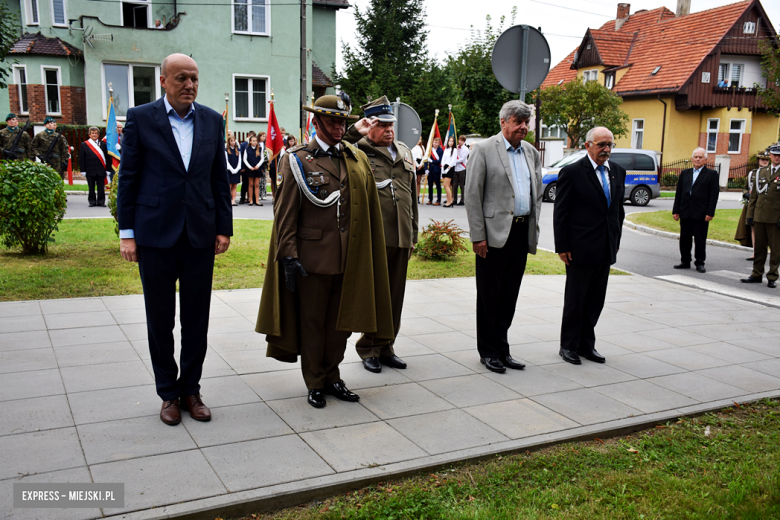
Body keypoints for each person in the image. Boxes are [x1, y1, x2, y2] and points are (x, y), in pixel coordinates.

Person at [256, 93, 393, 408]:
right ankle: (316, 382)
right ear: (315, 122)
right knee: (313, 325)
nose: (338, 127)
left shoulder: (354, 157)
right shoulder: (297, 158)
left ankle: (333, 376)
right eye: (331, 121)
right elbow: (286, 214)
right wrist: (288, 255)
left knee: (341, 325)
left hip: (349, 257)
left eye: (342, 121)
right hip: (312, 260)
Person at [117, 53, 233, 426]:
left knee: (197, 320)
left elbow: (219, 180)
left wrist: (223, 227)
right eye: (181, 78)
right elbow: (129, 178)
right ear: (163, 81)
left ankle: (191, 391)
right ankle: (168, 393)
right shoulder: (140, 119)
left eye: (195, 78)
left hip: (199, 235)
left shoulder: (213, 121)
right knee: (160, 320)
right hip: (154, 236)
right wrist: (127, 233)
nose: (190, 85)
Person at [464, 100, 543, 374]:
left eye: (526, 122)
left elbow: (537, 194)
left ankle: (503, 348)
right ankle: (488, 351)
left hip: (521, 232)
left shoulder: (531, 152)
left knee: (509, 294)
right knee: (489, 295)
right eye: (517, 121)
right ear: (503, 122)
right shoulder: (484, 149)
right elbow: (472, 195)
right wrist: (478, 235)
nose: (523, 127)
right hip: (493, 235)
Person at [345, 95, 418, 373]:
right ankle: (369, 347)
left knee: (395, 296)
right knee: (374, 295)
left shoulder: (404, 152)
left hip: (400, 236)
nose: (389, 130)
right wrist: (355, 131)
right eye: (382, 125)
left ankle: (387, 345)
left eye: (392, 125)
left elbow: (410, 197)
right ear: (369, 125)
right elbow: (334, 149)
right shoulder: (357, 151)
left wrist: (413, 235)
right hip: (373, 239)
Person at [554, 127, 626, 366]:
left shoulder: (617, 171)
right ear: (587, 146)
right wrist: (562, 246)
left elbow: (617, 210)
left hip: (605, 246)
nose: (606, 149)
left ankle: (587, 345)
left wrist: (616, 240)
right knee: (576, 300)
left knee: (596, 300)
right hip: (579, 248)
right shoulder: (572, 172)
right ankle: (568, 346)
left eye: (610, 145)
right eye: (601, 144)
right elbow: (561, 212)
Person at [672, 148, 719, 273]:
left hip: (701, 212)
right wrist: (676, 210)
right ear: (692, 159)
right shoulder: (685, 173)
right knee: (685, 238)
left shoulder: (711, 174)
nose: (698, 159)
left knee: (700, 239)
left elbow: (714, 195)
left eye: (700, 157)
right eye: (696, 157)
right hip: (685, 211)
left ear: (705, 159)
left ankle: (699, 262)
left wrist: (710, 212)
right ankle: (685, 260)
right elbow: (679, 193)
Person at [741, 144, 780, 289]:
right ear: (770, 156)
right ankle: (756, 274)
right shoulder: (760, 173)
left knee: (775, 250)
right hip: (759, 215)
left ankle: (772, 276)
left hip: (775, 217)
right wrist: (750, 215)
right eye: (774, 154)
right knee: (759, 248)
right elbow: (754, 196)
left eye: (779, 155)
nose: (777, 157)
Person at [736, 151, 769, 253]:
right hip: (753, 205)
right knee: (753, 227)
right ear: (758, 160)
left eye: (767, 160)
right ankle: (755, 252)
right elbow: (745, 188)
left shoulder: (771, 173)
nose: (765, 161)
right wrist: (746, 194)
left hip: (766, 205)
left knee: (766, 229)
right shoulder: (753, 173)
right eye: (763, 159)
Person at [78, 127, 111, 207]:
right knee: (91, 187)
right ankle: (92, 201)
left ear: (99, 135)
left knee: (101, 187)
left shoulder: (103, 144)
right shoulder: (84, 144)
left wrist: (108, 169)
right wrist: (83, 170)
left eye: (96, 133)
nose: (94, 135)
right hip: (90, 169)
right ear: (89, 134)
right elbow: (81, 158)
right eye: (92, 133)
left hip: (101, 169)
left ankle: (101, 201)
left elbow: (107, 158)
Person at [242, 134, 266, 206]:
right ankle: (251, 200)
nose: (255, 142)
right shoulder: (247, 149)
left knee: (256, 185)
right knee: (250, 184)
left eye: (256, 141)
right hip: (250, 169)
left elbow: (262, 158)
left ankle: (257, 200)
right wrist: (249, 167)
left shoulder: (260, 149)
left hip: (257, 169)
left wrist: (258, 166)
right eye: (253, 141)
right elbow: (245, 159)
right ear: (250, 141)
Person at [238, 131, 255, 204]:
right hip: (245, 167)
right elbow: (241, 156)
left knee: (252, 184)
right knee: (245, 183)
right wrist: (242, 167)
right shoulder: (243, 145)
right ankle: (243, 198)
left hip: (253, 167)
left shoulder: (256, 145)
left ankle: (251, 198)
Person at [441, 136, 457, 207]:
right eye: (449, 141)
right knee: (446, 185)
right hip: (445, 167)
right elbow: (443, 158)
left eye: (452, 141)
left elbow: (453, 161)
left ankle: (450, 201)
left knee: (446, 185)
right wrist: (442, 167)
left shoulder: (455, 150)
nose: (450, 142)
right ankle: (448, 200)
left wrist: (448, 169)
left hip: (450, 168)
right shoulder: (446, 149)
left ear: (454, 142)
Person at [453, 135, 469, 205]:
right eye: (459, 140)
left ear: (464, 141)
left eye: (461, 141)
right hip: (456, 168)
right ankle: (455, 199)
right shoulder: (456, 148)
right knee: (455, 185)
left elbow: (462, 159)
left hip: (462, 168)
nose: (459, 141)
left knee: (462, 185)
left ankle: (462, 200)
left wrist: (454, 161)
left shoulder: (466, 149)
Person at [226, 133, 241, 205]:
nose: (233, 142)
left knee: (235, 186)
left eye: (234, 141)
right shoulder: (226, 150)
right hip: (229, 170)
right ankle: (228, 200)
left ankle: (233, 200)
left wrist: (237, 169)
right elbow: (226, 161)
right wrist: (232, 169)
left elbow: (239, 161)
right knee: (229, 186)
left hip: (236, 170)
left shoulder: (237, 150)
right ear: (229, 142)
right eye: (231, 141)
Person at [426, 137, 443, 205]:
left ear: (438, 143)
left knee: (438, 185)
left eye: (436, 142)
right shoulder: (430, 150)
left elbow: (440, 161)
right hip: (430, 169)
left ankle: (438, 200)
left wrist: (432, 161)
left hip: (436, 169)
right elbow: (426, 159)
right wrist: (426, 169)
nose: (434, 144)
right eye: (434, 142)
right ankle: (430, 199)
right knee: (430, 185)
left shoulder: (440, 150)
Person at [412, 137, 426, 202]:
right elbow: (413, 157)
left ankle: (418, 196)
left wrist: (420, 164)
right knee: (413, 181)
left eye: (420, 139)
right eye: (418, 139)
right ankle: (413, 195)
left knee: (418, 181)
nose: (419, 140)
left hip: (420, 163)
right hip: (415, 163)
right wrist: (417, 165)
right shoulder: (413, 147)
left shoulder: (422, 147)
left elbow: (424, 156)